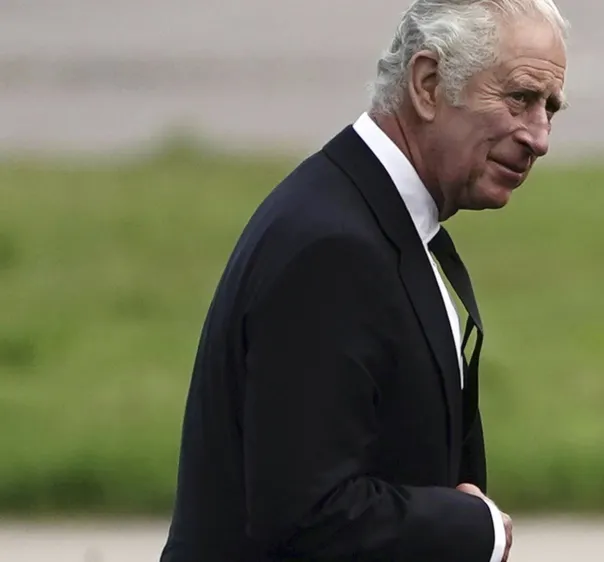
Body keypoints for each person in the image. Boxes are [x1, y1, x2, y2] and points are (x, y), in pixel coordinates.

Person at [159, 1, 569, 560]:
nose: (539, 137)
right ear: (428, 84)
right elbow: (308, 515)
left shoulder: (367, 214)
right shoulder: (333, 249)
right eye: (519, 98)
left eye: (550, 108)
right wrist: (477, 529)